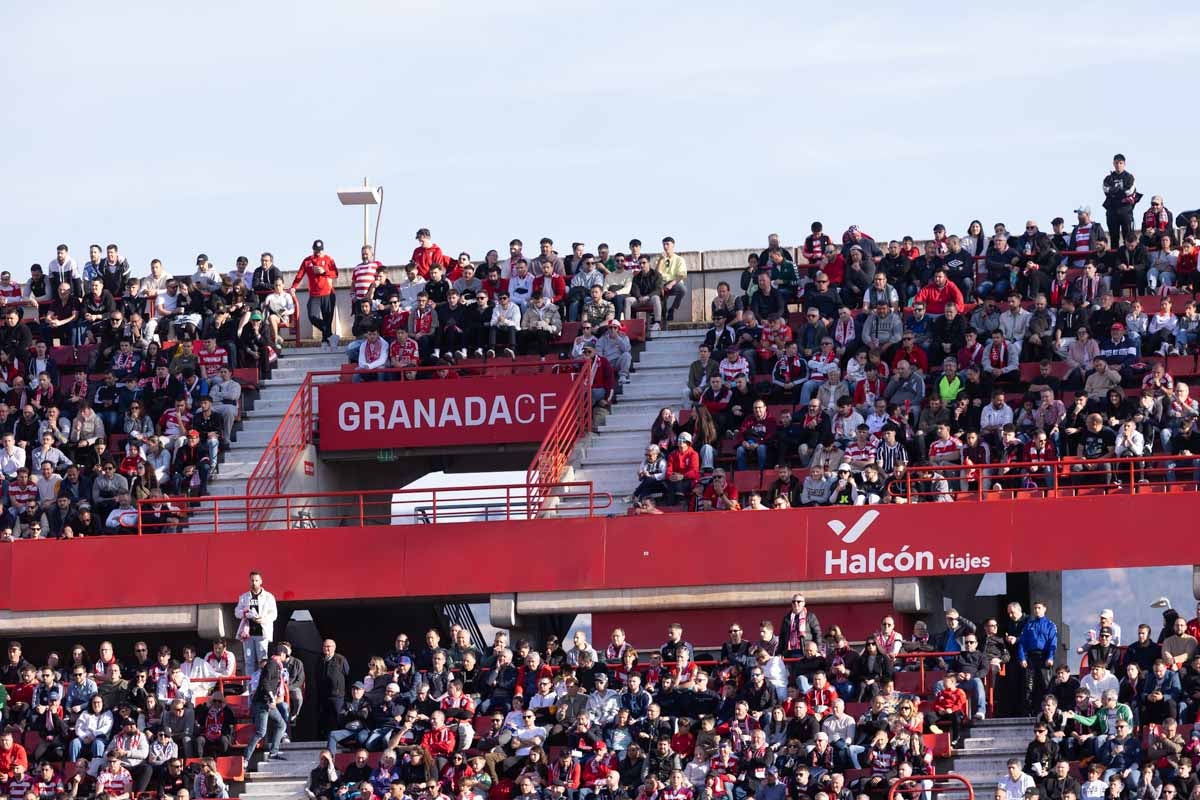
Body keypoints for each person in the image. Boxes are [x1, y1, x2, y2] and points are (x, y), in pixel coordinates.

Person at [243, 643, 288, 770]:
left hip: (267, 703)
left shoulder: (275, 665)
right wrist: (272, 698)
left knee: (281, 724)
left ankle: (274, 752)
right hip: (263, 703)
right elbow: (265, 683)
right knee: (260, 732)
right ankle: (245, 759)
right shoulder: (273, 664)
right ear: (282, 654)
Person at [292, 239, 339, 348]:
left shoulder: (328, 259)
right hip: (314, 294)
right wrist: (293, 287)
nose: (318, 252)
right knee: (312, 316)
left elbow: (335, 273)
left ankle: (325, 341)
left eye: (320, 250)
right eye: (316, 250)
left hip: (328, 293)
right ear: (313, 249)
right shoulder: (307, 261)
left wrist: (324, 271)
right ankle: (330, 335)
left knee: (328, 318)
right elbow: (299, 275)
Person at [234, 571, 278, 676]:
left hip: (262, 633)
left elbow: (274, 614)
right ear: (249, 581)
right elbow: (237, 612)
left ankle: (261, 685)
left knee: (262, 661)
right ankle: (250, 687)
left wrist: (262, 619)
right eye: (252, 580)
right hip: (248, 634)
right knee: (249, 661)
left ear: (261, 581)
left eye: (256, 580)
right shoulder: (244, 597)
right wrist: (245, 613)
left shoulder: (268, 596)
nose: (254, 583)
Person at [1103, 155, 1138, 253]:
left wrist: (1115, 191)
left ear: (1124, 164)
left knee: (1128, 236)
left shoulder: (1129, 177)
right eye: (1116, 163)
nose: (1118, 165)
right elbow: (1106, 190)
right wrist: (1117, 192)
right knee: (1114, 237)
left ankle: (1129, 258)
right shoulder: (1109, 178)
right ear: (1113, 164)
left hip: (1125, 210)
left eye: (1120, 163)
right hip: (1112, 210)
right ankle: (1115, 260)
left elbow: (1129, 191)